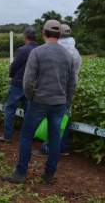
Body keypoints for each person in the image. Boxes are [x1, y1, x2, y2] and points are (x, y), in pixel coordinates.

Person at [3, 20, 76, 185]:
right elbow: (72, 84)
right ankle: (49, 176)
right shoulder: (67, 56)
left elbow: (28, 81)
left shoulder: (37, 52)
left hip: (39, 101)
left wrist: (31, 97)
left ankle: (21, 173)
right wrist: (67, 102)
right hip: (59, 103)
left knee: (26, 135)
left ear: (44, 32)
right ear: (59, 34)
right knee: (55, 138)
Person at [33, 23, 82, 157]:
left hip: (54, 90)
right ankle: (63, 146)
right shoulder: (75, 51)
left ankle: (49, 148)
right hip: (69, 89)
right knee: (65, 117)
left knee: (53, 118)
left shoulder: (57, 49)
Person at [0, 27, 38, 143]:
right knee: (29, 111)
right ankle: (29, 136)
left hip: (18, 83)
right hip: (33, 85)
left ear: (25, 36)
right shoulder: (40, 49)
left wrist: (11, 75)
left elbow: (14, 66)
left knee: (10, 109)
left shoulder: (22, 50)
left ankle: (7, 136)